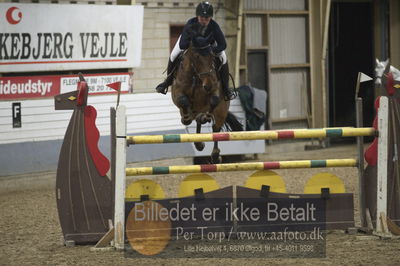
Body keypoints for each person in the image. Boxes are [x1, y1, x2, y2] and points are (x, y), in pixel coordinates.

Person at [155, 1, 236, 101]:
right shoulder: (191, 23)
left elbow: (223, 44)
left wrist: (211, 50)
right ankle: (167, 82)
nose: (204, 20)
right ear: (197, 16)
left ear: (210, 18)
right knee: (173, 55)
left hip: (209, 47)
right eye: (201, 18)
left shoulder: (214, 26)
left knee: (224, 58)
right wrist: (194, 46)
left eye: (207, 18)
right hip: (190, 45)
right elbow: (183, 44)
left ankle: (226, 88)